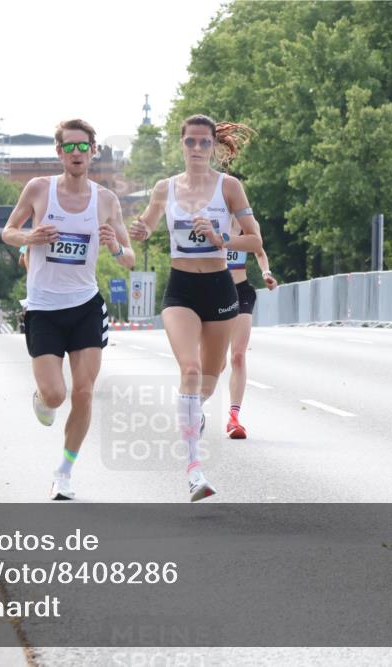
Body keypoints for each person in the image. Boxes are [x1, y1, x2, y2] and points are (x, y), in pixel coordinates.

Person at [129, 114, 262, 501]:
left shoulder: (229, 187)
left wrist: (222, 239)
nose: (198, 149)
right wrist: (139, 231)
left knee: (209, 376)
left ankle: (193, 410)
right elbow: (146, 225)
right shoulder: (165, 188)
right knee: (189, 369)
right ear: (181, 144)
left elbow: (255, 240)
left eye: (205, 142)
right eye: (191, 141)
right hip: (181, 289)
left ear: (214, 146)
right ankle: (194, 470)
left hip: (220, 288)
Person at [2, 118, 135, 500]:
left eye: (83, 147)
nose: (77, 153)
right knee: (56, 396)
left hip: (85, 307)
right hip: (43, 309)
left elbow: (129, 258)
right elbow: (8, 231)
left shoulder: (106, 201)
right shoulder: (38, 189)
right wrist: (30, 236)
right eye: (70, 147)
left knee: (84, 392)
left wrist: (115, 247)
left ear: (93, 151)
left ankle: (64, 472)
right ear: (59, 152)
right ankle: (43, 398)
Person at [222, 217, 278, 439]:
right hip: (215, 293)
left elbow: (259, 252)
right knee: (216, 363)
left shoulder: (248, 223)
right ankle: (195, 405)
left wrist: (266, 273)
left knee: (238, 356)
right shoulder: (213, 218)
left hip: (241, 291)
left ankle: (234, 417)